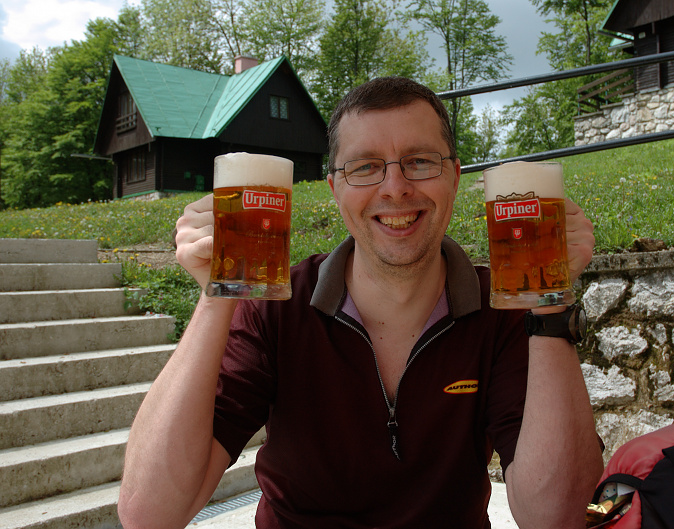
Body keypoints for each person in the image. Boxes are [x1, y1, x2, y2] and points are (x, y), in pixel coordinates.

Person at [118, 76, 602, 529]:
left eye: (420, 161)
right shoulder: (277, 307)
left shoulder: (505, 311)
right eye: (365, 167)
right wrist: (215, 294)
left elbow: (554, 516)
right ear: (336, 188)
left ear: (454, 177)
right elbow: (149, 512)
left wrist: (549, 308)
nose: (395, 187)